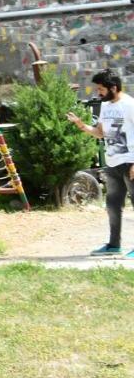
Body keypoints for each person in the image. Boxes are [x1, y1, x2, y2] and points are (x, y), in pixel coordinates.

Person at [67, 70, 134, 257]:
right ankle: (114, 245)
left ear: (113, 88)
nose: (98, 93)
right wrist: (81, 125)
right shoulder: (105, 106)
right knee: (113, 205)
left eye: (101, 89)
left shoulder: (130, 105)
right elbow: (100, 133)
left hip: (130, 162)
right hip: (112, 164)